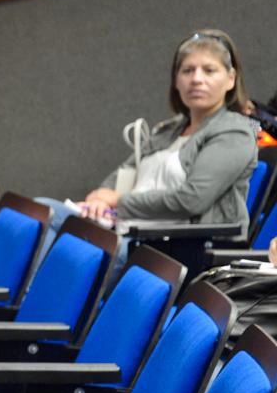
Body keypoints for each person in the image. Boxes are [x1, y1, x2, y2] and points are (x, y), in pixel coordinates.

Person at [39, 28, 256, 262]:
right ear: (176, 80)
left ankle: (29, 294)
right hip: (127, 231)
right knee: (40, 211)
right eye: (187, 70)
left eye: (209, 70)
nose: (196, 79)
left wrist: (118, 202)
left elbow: (190, 199)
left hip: (174, 249)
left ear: (231, 79)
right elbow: (124, 173)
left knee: (70, 252)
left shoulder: (234, 132)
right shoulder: (168, 130)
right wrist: (101, 200)